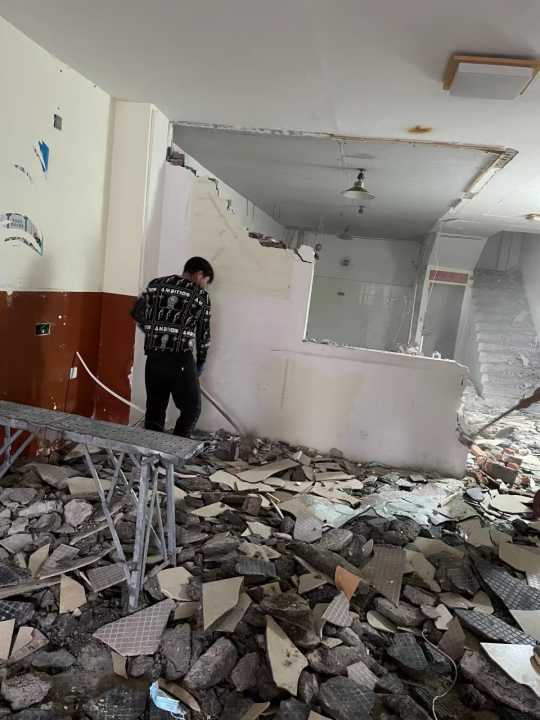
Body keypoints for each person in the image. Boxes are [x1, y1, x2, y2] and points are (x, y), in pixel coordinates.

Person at [131, 257, 213, 437]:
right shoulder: (200, 295)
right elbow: (203, 335)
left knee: (155, 410)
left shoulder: (155, 285)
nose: (204, 286)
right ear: (199, 274)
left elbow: (136, 312)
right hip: (180, 359)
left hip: (154, 358)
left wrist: (153, 332)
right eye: (205, 281)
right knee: (192, 408)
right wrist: (200, 363)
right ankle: (175, 451)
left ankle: (151, 453)